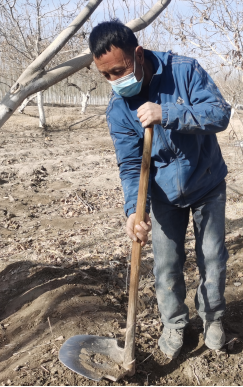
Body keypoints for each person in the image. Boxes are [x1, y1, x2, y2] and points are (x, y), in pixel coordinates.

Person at [89, 20, 231, 359]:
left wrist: (167, 113)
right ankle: (174, 322)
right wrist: (132, 212)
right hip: (164, 195)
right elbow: (129, 165)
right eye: (106, 75)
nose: (115, 81)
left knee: (212, 257)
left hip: (207, 182)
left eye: (119, 70)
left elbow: (219, 114)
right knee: (166, 264)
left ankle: (213, 318)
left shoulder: (184, 70)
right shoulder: (118, 110)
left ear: (138, 54)